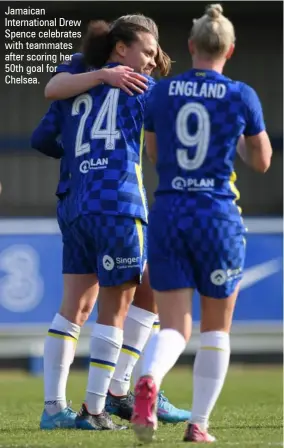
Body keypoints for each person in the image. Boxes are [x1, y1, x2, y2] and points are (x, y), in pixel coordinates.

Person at [32, 15, 190, 430]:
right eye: (148, 52)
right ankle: (100, 405)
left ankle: (56, 408)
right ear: (121, 48)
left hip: (74, 201)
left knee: (79, 306)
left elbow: (41, 137)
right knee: (118, 306)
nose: (152, 63)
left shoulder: (76, 80)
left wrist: (81, 155)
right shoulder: (141, 87)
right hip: (117, 202)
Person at [131, 3, 272, 443]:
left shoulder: (160, 92)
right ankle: (199, 425)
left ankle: (149, 379)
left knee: (174, 326)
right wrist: (237, 147)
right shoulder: (241, 94)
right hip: (217, 216)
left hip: (170, 212)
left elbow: (153, 154)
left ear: (191, 46)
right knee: (216, 328)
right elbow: (262, 161)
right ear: (229, 51)